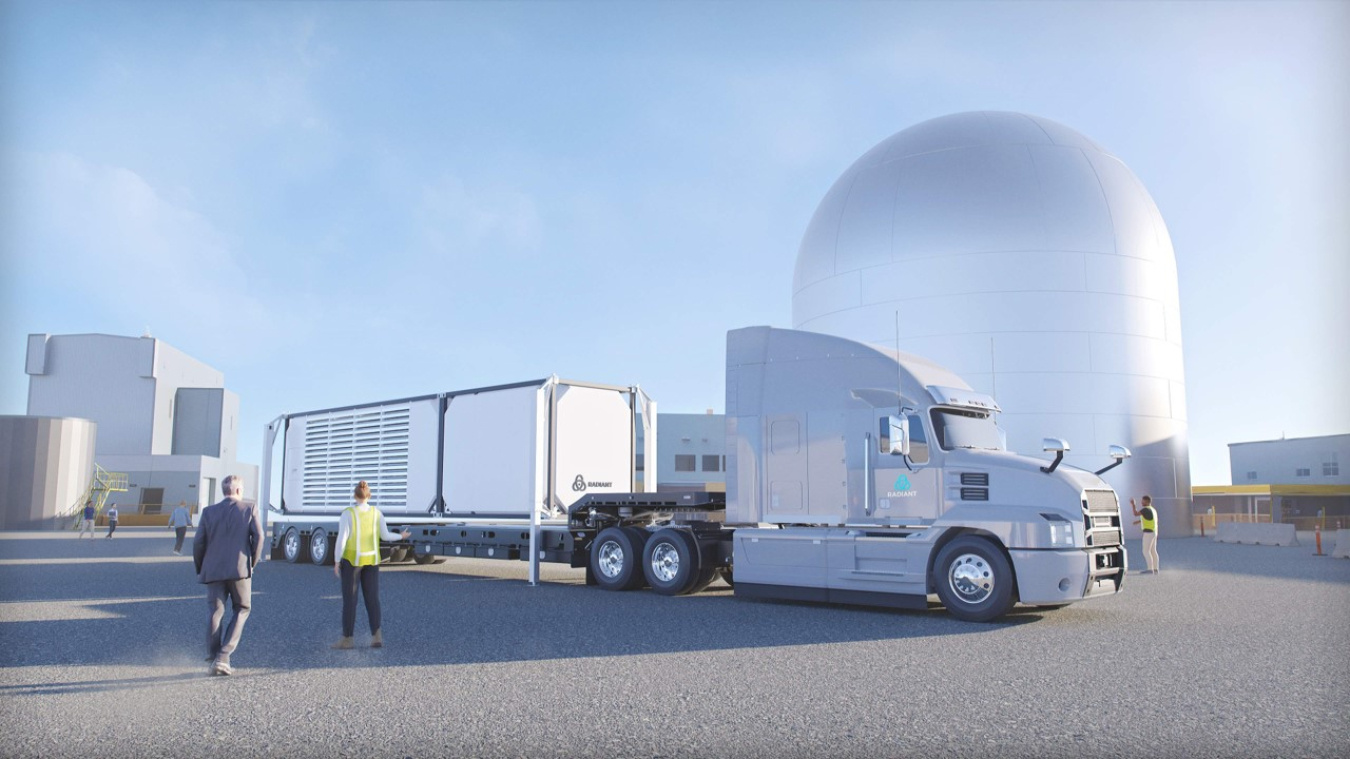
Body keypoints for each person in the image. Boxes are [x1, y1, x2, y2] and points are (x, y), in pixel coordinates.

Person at [193, 475, 263, 676]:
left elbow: (198, 543)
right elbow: (259, 537)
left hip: (213, 569)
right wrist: (251, 563)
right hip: (240, 570)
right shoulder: (249, 509)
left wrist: (201, 568)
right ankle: (223, 656)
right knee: (242, 608)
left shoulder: (208, 512)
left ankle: (214, 656)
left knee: (215, 611)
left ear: (224, 491)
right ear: (239, 491)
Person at [332, 480, 410, 650]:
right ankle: (376, 636)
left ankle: (347, 639)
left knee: (350, 601)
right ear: (369, 495)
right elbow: (386, 536)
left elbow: (342, 539)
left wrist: (337, 560)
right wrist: (401, 536)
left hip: (352, 562)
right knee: (372, 599)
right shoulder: (377, 513)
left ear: (354, 495)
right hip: (372, 562)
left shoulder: (348, 513)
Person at [1131, 495, 1160, 574]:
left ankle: (1150, 569)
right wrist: (1138, 522)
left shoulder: (1145, 509)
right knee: (1153, 550)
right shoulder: (1152, 509)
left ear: (1147, 501)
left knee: (1146, 551)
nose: (1141, 502)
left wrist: (1133, 505)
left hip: (1148, 533)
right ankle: (1155, 568)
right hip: (1154, 532)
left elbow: (1135, 513)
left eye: (1142, 501)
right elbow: (1148, 518)